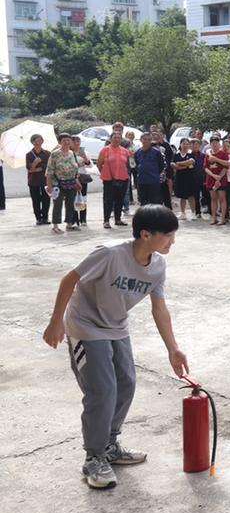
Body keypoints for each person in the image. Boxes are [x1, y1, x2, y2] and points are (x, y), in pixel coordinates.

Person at [41, 205, 188, 489]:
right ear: (145, 234)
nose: (173, 241)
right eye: (168, 235)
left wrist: (173, 348)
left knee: (126, 384)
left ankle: (109, 444)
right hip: (85, 325)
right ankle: (94, 458)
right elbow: (69, 279)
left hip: (116, 326)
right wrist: (55, 322)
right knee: (103, 390)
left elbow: (159, 308)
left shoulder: (157, 265)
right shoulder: (109, 254)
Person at [46, 134, 82, 234]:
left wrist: (77, 182)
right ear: (60, 142)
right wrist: (49, 185)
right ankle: (55, 226)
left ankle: (69, 224)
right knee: (58, 204)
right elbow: (49, 170)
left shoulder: (72, 153)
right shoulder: (55, 154)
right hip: (57, 183)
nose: (66, 142)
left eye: (68, 140)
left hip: (71, 182)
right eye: (64, 140)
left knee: (70, 204)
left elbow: (76, 169)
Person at [98, 132, 130, 229]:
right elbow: (99, 164)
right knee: (108, 200)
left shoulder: (125, 151)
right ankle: (106, 221)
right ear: (110, 139)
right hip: (109, 179)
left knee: (119, 200)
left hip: (123, 178)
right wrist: (104, 172)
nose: (116, 139)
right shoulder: (105, 150)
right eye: (114, 138)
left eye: (118, 138)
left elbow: (128, 164)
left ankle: (118, 219)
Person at [203, 136, 229, 225]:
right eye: (213, 143)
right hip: (211, 179)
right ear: (210, 144)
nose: (215, 144)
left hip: (221, 179)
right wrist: (214, 176)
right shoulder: (208, 154)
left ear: (219, 143)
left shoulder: (223, 154)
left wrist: (219, 177)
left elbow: (226, 167)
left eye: (216, 143)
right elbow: (206, 168)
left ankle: (222, 219)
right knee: (213, 199)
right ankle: (214, 218)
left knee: (222, 198)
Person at [133, 134, 165, 206]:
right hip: (142, 181)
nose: (146, 141)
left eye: (148, 139)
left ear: (150, 141)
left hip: (153, 181)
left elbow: (161, 166)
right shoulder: (137, 153)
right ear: (141, 140)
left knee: (155, 203)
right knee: (143, 203)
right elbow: (137, 164)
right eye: (144, 139)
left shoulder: (156, 152)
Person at [26, 134, 50, 225]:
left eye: (40, 140)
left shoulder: (47, 153)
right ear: (32, 142)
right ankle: (38, 218)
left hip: (45, 180)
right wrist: (35, 164)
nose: (38, 142)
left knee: (46, 199)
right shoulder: (29, 155)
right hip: (33, 181)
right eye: (36, 140)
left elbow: (49, 166)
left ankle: (45, 217)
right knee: (35, 199)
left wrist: (41, 167)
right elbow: (30, 169)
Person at [71, 136, 92, 227]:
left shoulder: (85, 152)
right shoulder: (69, 153)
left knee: (83, 198)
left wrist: (85, 158)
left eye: (78, 141)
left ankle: (83, 219)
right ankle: (74, 219)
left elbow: (90, 165)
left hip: (82, 177)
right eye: (74, 141)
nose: (76, 143)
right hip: (72, 178)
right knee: (72, 198)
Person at [189, 139, 206, 220]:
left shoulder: (203, 155)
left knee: (206, 195)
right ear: (190, 146)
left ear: (199, 146)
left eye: (196, 144)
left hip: (203, 178)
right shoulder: (188, 155)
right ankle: (198, 212)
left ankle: (211, 211)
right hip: (193, 179)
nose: (195, 146)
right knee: (196, 196)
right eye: (192, 145)